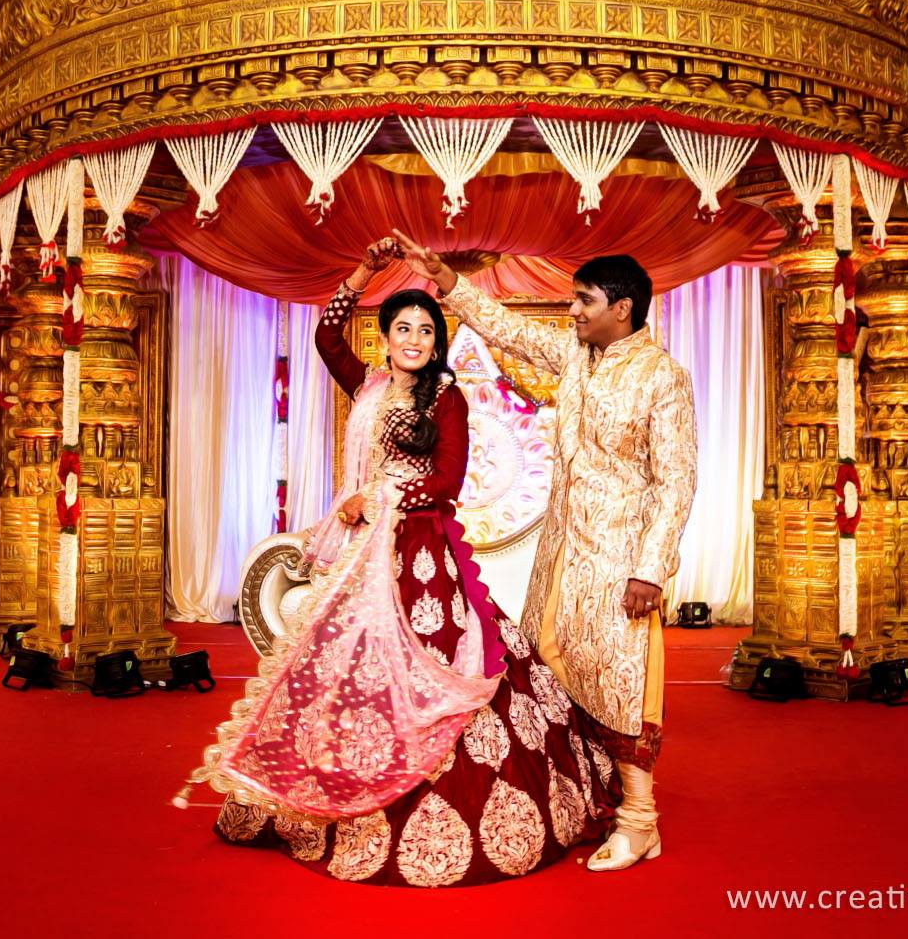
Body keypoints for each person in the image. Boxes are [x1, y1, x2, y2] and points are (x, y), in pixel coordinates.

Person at [177, 239, 618, 886]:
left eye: (425, 329)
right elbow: (328, 336)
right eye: (402, 327)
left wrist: (375, 496)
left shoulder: (446, 398)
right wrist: (362, 272)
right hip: (366, 552)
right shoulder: (369, 385)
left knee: (438, 668)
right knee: (341, 673)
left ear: (437, 341)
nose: (414, 337)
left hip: (420, 555)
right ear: (384, 337)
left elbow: (445, 481)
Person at [392, 232, 698, 873]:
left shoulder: (661, 377)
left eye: (584, 301)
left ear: (623, 307)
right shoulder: (576, 357)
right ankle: (588, 802)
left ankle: (640, 823)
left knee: (622, 686)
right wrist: (446, 281)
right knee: (554, 674)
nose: (573, 312)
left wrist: (651, 568)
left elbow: (677, 481)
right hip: (562, 554)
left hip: (621, 564)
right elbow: (504, 329)